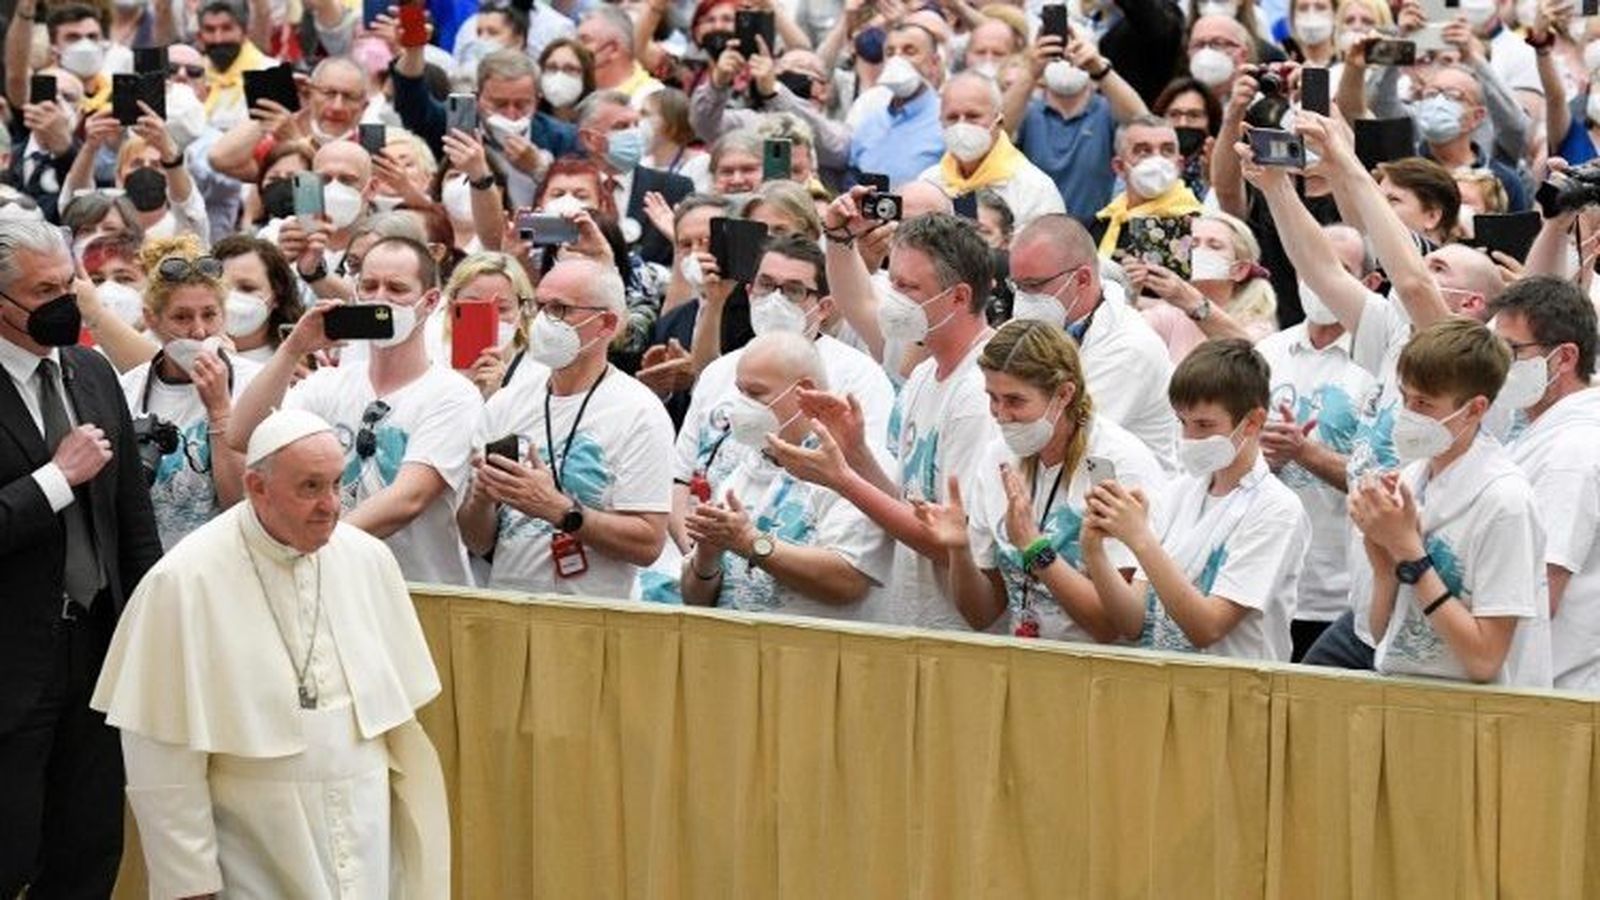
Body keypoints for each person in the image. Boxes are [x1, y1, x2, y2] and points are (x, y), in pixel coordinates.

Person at [92, 408, 448, 898]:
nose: (331, 505)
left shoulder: (367, 559)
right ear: (256, 487)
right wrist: (188, 881)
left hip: (367, 825)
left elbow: (398, 724)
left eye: (336, 484)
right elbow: (161, 757)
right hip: (256, 840)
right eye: (309, 487)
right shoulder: (184, 582)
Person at [0, 220, 161, 898]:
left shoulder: (91, 370)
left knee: (89, 849)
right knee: (9, 856)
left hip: (98, 652)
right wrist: (54, 481)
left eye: (69, 284)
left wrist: (154, 627)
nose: (64, 301)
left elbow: (132, 519)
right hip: (10, 664)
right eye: (44, 291)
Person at [767, 213, 1000, 630]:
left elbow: (949, 541)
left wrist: (843, 480)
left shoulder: (981, 391)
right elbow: (911, 505)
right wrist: (856, 454)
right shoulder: (924, 375)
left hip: (961, 635)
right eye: (893, 283)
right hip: (912, 620)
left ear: (960, 297)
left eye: (909, 288)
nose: (893, 300)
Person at [227, 236, 483, 586]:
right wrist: (292, 348)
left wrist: (316, 545)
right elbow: (242, 436)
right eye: (369, 285)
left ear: (430, 301)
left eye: (396, 288)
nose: (381, 298)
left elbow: (409, 499)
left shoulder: (453, 394)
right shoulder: (328, 384)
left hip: (418, 591)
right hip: (332, 585)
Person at [916, 319, 1166, 640]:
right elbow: (981, 614)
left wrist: (1036, 549)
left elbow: (1112, 626)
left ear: (1063, 394)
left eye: (1015, 400)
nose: (1001, 415)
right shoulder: (998, 457)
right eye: (992, 398)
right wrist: (960, 551)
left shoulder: (1115, 463)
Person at [1351, 318, 1551, 687]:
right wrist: (1381, 558)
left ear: (1476, 409)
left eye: (1424, 403)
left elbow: (1484, 660)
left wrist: (1409, 554)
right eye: (1405, 397)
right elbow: (1380, 636)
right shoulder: (1414, 477)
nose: (1408, 413)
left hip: (1482, 719)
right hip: (1403, 694)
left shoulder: (1505, 501)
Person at [458, 258, 674, 599]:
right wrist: (482, 498)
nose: (544, 320)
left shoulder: (639, 412)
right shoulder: (506, 403)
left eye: (560, 309)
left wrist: (560, 510)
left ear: (605, 323)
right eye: (539, 306)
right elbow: (476, 540)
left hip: (592, 616)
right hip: (507, 602)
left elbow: (648, 543)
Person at [1083, 339, 1311, 660]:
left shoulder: (1276, 509)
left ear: (1253, 422)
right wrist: (1094, 551)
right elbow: (1134, 624)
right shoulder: (1179, 493)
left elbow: (1208, 627)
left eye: (1204, 425)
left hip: (1236, 695)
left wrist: (1141, 539)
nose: (1189, 438)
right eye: (1182, 423)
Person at [670, 234, 894, 550]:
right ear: (749, 292)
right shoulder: (718, 372)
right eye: (765, 285)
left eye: (793, 290)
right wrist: (698, 556)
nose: (775, 299)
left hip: (804, 560)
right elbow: (680, 479)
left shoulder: (858, 376)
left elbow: (871, 485)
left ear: (824, 306)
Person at [680, 331, 891, 618]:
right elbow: (696, 600)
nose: (741, 405)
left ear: (803, 390)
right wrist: (707, 557)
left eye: (755, 393)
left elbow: (847, 582)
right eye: (739, 392)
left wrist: (750, 542)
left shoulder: (854, 463)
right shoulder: (746, 465)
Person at [1255, 228, 1377, 660]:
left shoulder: (1379, 367)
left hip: (1339, 594)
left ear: (1369, 284)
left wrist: (1303, 452)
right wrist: (1258, 459)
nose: (1319, 279)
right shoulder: (1267, 352)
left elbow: (1383, 479)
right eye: (1311, 266)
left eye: (1338, 269)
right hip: (1265, 581)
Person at [1489, 277, 1600, 691]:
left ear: (1565, 357)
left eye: (1512, 351)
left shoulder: (1573, 449)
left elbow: (1541, 592)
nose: (1500, 364)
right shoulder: (1540, 430)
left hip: (1557, 689)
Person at [119, 237, 261, 550]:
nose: (198, 331)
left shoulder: (255, 384)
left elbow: (241, 503)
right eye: (182, 318)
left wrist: (220, 409)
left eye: (209, 315)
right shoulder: (127, 389)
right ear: (152, 319)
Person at [1007, 214, 1178, 467]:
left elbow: (1058, 439)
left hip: (1123, 494)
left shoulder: (1130, 348)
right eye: (1017, 286)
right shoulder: (1029, 325)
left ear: (1083, 279)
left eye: (1033, 285)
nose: (1023, 299)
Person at [1000, 24, 1149, 226]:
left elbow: (1144, 124)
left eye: (1075, 49)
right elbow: (997, 133)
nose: (1067, 59)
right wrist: (1030, 72)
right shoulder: (1028, 112)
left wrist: (1099, 68)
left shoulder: (1106, 111)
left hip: (1094, 236)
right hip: (1036, 233)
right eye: (1059, 51)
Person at [918, 71, 1064, 230]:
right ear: (940, 122)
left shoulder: (1034, 190)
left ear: (999, 121)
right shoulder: (929, 183)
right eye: (952, 117)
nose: (962, 126)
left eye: (973, 116)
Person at [1130, 209, 1278, 362]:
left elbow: (1249, 356)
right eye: (1193, 245)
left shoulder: (1258, 325)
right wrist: (1132, 292)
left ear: (1240, 270)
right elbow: (1121, 342)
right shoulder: (1171, 314)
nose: (1199, 252)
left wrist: (1193, 303)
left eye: (1214, 246)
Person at [575, 90, 695, 265]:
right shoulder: (565, 186)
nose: (634, 134)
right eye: (621, 126)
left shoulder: (675, 189)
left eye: (636, 124)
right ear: (589, 139)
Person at [848, 22, 946, 188]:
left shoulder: (946, 120)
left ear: (934, 63)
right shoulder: (869, 119)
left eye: (909, 51)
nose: (897, 60)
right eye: (890, 52)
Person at [1093, 114, 1204, 257]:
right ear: (1120, 167)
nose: (1157, 159)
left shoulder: (1198, 226)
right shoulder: (1103, 223)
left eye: (1167, 150)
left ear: (1180, 165)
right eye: (1143, 151)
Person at [578, 6, 665, 101]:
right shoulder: (575, 89)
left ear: (613, 50)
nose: (574, 47)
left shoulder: (651, 100)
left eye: (585, 40)